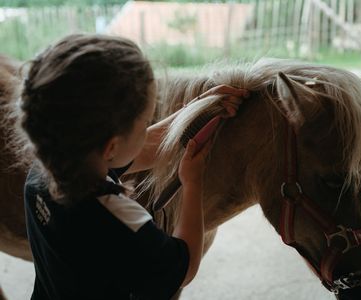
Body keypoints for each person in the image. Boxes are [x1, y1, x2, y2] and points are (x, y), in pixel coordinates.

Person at [17, 34, 248, 300]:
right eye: (146, 121)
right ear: (110, 148)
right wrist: (192, 183)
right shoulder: (115, 218)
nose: (148, 129)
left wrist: (196, 109)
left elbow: (146, 147)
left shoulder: (46, 167)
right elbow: (183, 268)